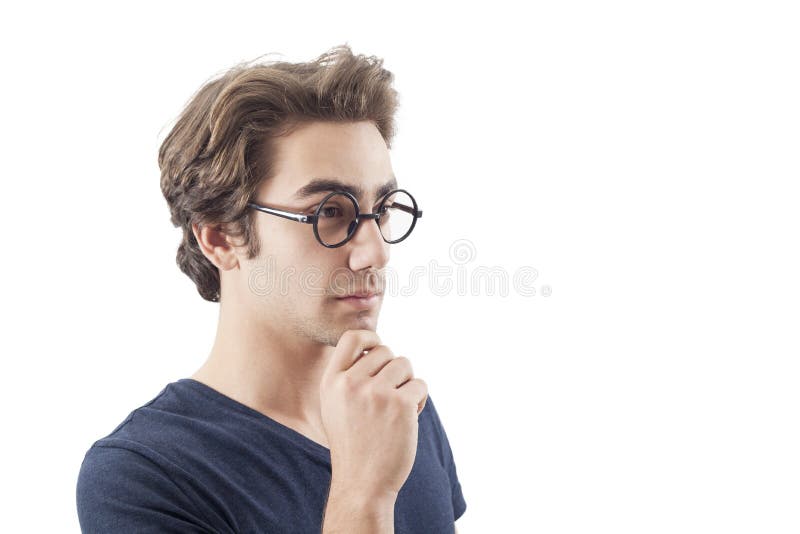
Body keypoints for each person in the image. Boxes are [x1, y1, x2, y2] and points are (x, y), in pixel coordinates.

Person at [75, 44, 466, 533]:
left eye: (382, 208)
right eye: (330, 211)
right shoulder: (143, 475)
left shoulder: (394, 406)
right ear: (219, 235)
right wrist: (362, 493)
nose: (376, 252)